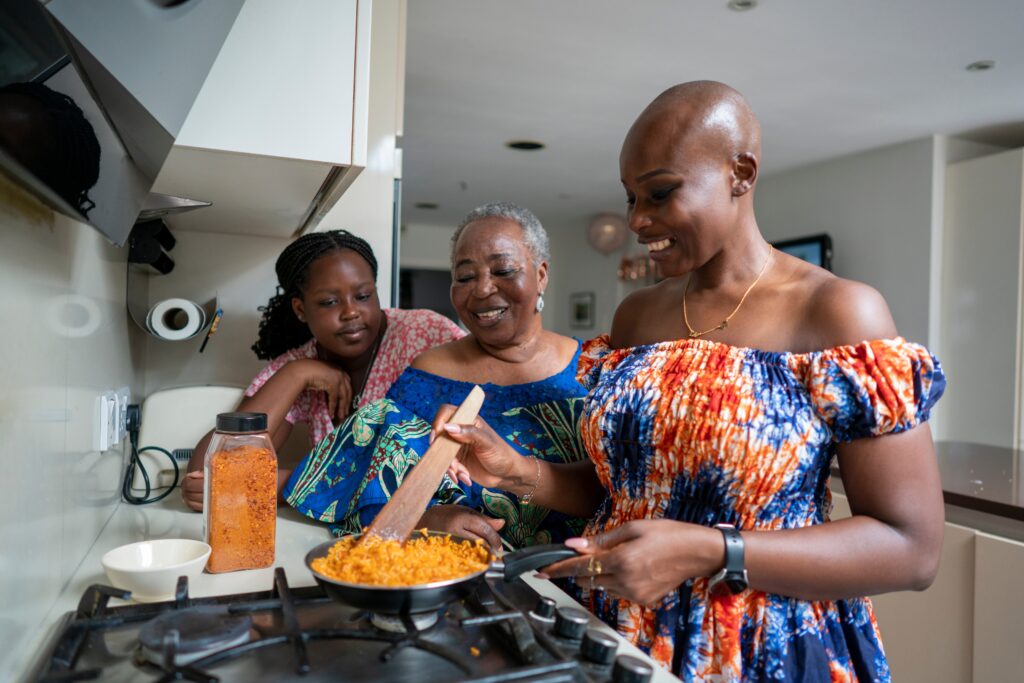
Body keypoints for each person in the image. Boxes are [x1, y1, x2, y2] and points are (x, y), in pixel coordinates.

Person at [437, 81, 946, 680]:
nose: (637, 220)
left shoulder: (836, 312)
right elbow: (628, 492)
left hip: (755, 645)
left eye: (660, 192)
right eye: (630, 197)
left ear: (741, 173)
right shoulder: (638, 316)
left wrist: (710, 551)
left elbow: (911, 549)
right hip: (619, 633)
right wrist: (517, 471)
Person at [282, 202, 591, 549]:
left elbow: (623, 492)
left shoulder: (596, 370)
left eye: (503, 270)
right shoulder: (427, 375)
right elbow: (371, 495)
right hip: (457, 570)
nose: (482, 289)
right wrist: (427, 520)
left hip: (577, 569)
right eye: (465, 277)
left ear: (541, 275)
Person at [182, 230, 465, 511]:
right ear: (300, 309)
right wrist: (298, 373)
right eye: (329, 302)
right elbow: (204, 476)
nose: (351, 312)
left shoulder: (426, 334)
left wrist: (278, 485)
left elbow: (455, 452)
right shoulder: (300, 363)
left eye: (363, 296)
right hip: (343, 532)